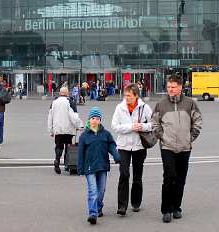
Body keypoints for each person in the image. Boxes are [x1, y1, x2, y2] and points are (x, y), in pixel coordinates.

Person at [151, 74, 203, 223]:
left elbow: (198, 121)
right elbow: (154, 123)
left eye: (173, 87)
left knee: (181, 179)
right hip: (167, 147)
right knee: (169, 177)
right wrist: (162, 136)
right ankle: (166, 210)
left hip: (185, 147)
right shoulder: (161, 104)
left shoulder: (190, 103)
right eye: (168, 87)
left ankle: (176, 208)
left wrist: (190, 137)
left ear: (180, 87)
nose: (170, 89)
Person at [111, 83, 153, 216]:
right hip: (123, 146)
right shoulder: (120, 108)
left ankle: (135, 203)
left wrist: (143, 127)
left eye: (129, 95)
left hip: (139, 146)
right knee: (124, 174)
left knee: (137, 176)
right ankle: (122, 206)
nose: (126, 98)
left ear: (136, 96)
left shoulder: (145, 107)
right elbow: (115, 126)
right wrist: (131, 127)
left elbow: (154, 124)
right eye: (125, 95)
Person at [77, 107, 121, 225]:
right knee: (93, 190)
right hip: (89, 167)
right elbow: (80, 153)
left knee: (101, 190)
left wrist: (116, 156)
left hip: (102, 166)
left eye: (97, 118)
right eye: (92, 118)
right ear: (89, 120)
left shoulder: (106, 134)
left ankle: (99, 206)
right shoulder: (84, 136)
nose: (95, 120)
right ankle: (93, 213)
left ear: (100, 120)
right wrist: (80, 168)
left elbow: (112, 146)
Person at [48, 86, 82, 174]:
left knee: (58, 146)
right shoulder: (70, 102)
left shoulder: (54, 102)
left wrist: (50, 130)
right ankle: (67, 164)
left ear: (60, 93)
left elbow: (50, 117)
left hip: (58, 129)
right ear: (67, 93)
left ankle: (57, 160)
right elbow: (74, 116)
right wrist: (79, 125)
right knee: (68, 146)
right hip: (68, 129)